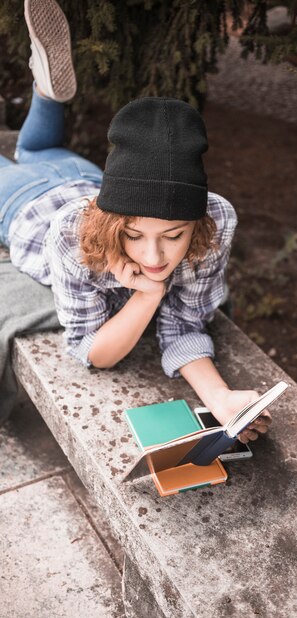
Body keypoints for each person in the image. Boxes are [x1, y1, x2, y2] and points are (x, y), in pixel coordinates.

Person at [1, 0, 272, 443]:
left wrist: (221, 397)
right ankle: (46, 94)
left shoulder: (216, 219)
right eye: (133, 236)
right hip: (23, 203)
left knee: (38, 151)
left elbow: (185, 324)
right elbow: (94, 352)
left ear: (196, 225)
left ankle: (48, 95)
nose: (153, 257)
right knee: (24, 162)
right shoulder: (70, 237)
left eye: (173, 236)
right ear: (113, 224)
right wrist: (148, 297)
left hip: (85, 176)